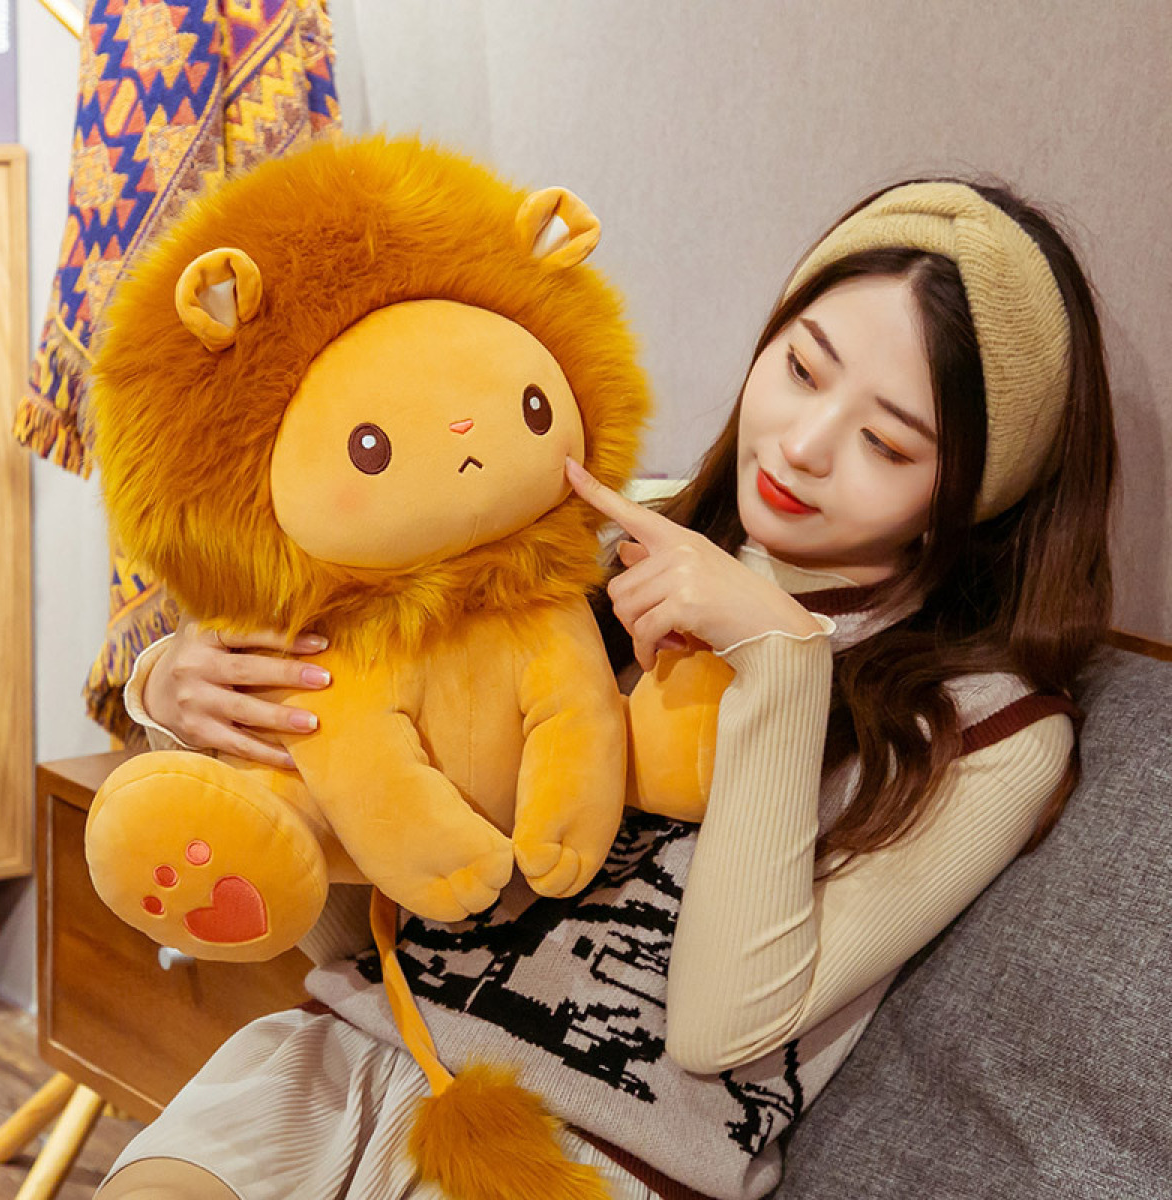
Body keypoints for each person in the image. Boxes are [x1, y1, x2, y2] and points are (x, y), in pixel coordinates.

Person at [97, 178, 1116, 1200]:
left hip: (586, 1160)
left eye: (886, 442)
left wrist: (781, 663)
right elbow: (356, 891)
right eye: (802, 368)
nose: (803, 446)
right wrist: (181, 703)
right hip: (337, 1061)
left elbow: (723, 1028)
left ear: (969, 492)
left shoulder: (994, 729)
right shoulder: (580, 531)